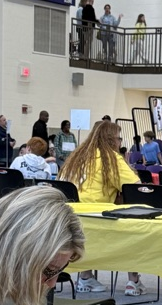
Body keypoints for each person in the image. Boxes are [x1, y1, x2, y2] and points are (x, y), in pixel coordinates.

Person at [61, 120, 143, 295]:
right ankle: (133, 281)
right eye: (119, 138)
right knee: (133, 227)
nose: (120, 143)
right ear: (112, 140)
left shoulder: (76, 157)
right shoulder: (110, 159)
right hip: (100, 218)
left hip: (69, 218)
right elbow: (136, 187)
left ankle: (85, 277)